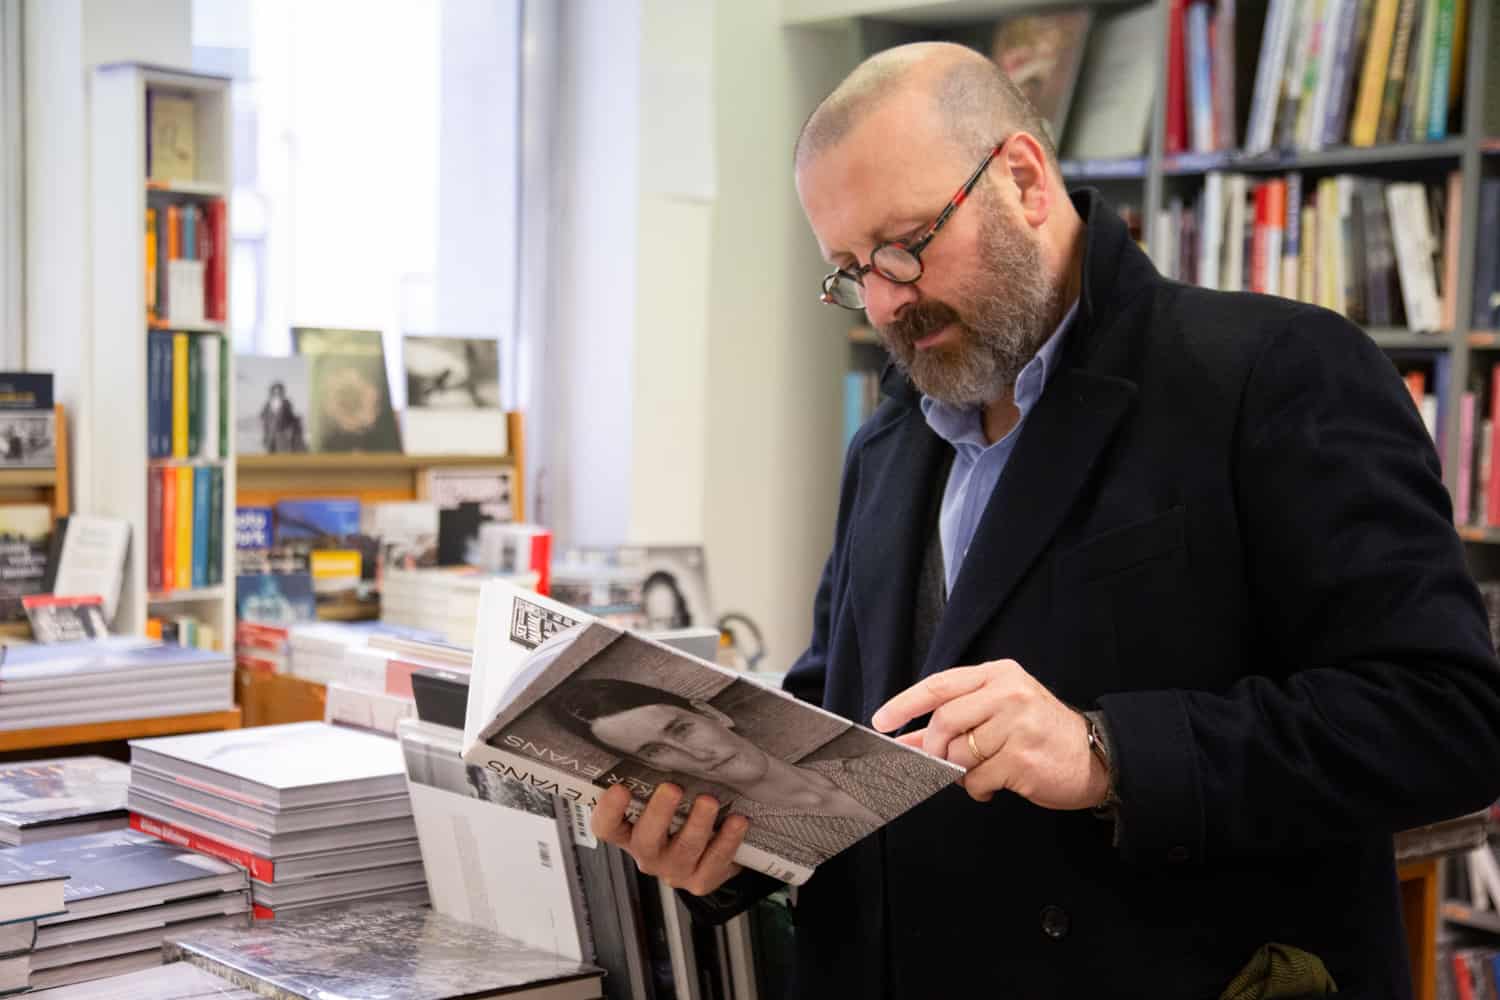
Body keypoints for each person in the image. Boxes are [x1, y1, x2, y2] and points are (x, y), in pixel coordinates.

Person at [591, 41, 1500, 998]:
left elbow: (1447, 719)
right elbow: (843, 723)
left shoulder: (1273, 371)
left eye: (905, 244)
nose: (887, 302)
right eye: (851, 269)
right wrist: (731, 841)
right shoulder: (888, 441)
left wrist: (1108, 752)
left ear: (1022, 179)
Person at [552, 678, 941, 869]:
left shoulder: (885, 766)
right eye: (655, 750)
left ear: (712, 714)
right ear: (655, 765)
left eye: (681, 729)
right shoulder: (742, 841)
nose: (695, 753)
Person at [259, 381, 307, 453]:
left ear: (282, 392)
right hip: (270, 435)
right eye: (275, 392)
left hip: (282, 435)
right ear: (272, 392)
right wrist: (265, 433)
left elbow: (291, 417)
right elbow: (262, 417)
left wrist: (297, 420)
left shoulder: (286, 403)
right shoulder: (267, 404)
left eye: (279, 392)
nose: (277, 394)